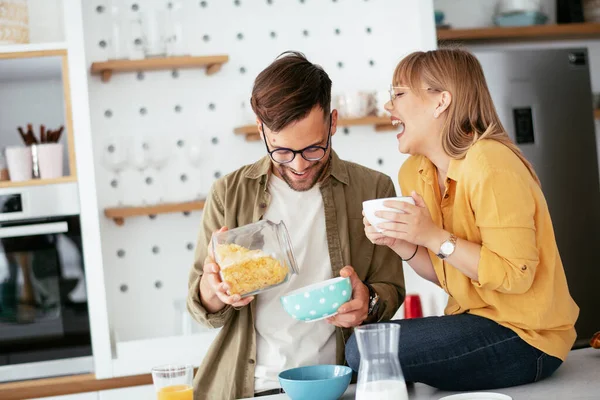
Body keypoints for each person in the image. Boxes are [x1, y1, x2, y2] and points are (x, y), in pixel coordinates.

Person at [345, 48, 579, 391]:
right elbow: (449, 276)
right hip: (474, 321)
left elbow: (515, 276)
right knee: (366, 346)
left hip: (529, 338)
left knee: (364, 351)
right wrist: (404, 242)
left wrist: (432, 235)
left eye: (398, 94)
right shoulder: (416, 171)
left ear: (441, 101)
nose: (388, 107)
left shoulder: (490, 162)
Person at [186, 51, 406, 400]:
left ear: (333, 122)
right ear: (261, 129)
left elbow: (391, 289)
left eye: (314, 149)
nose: (300, 165)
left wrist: (369, 300)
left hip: (340, 383)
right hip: (250, 387)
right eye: (283, 152)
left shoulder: (373, 189)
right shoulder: (228, 193)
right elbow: (201, 308)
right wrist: (215, 291)